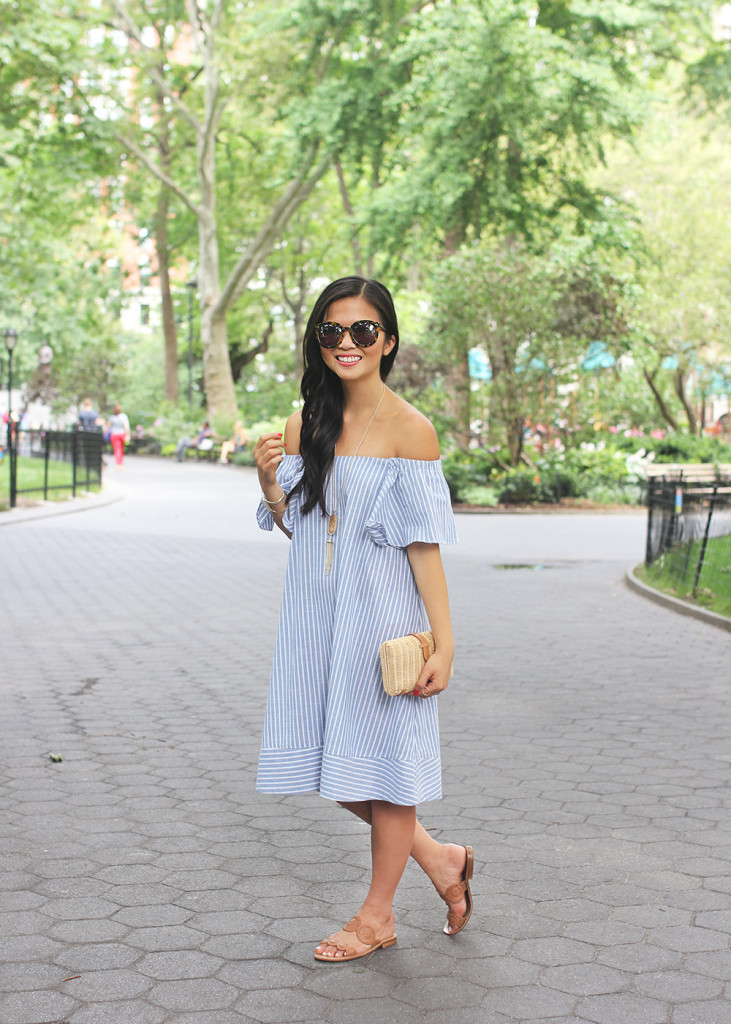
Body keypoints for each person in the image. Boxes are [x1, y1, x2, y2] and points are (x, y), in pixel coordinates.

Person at [254, 276, 472, 964]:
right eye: (331, 331)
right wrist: (270, 490)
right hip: (315, 622)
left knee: (384, 771)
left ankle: (376, 917)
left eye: (362, 331)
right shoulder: (303, 424)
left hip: (381, 626)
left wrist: (444, 640)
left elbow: (423, 547)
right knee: (333, 764)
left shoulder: (412, 430)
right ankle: (441, 860)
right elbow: (305, 527)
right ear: (317, 342)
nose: (346, 343)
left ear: (388, 341)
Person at [108, 402, 130, 471]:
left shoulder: (112, 417)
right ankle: (120, 465)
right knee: (121, 450)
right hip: (121, 434)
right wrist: (128, 435)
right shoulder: (123, 416)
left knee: (117, 450)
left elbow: (108, 426)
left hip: (114, 434)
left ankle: (118, 465)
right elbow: (126, 427)